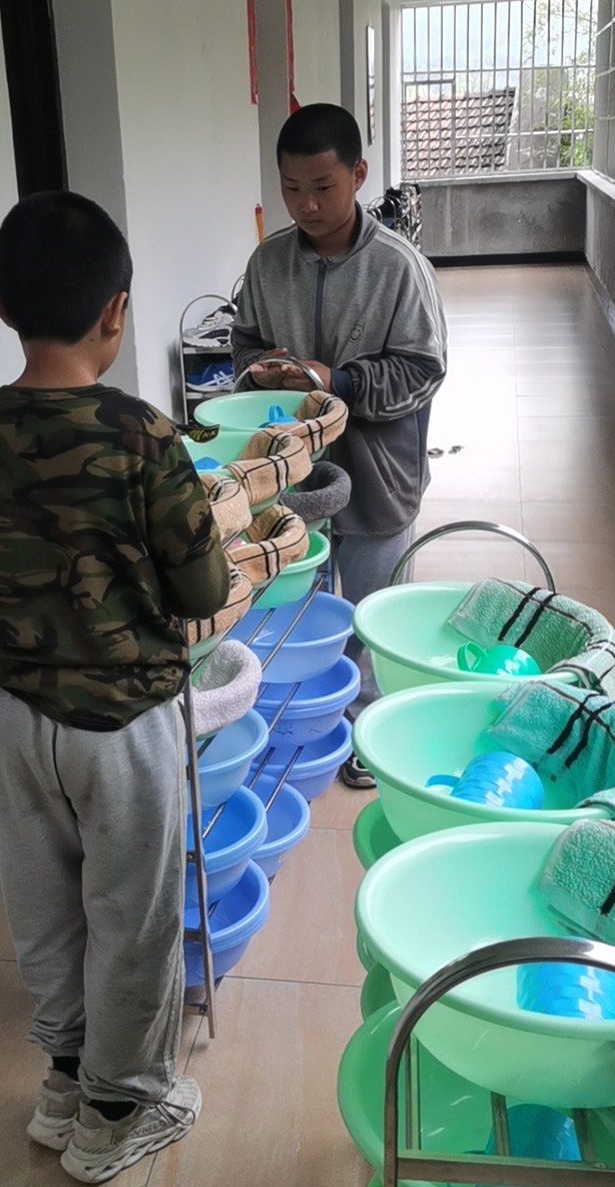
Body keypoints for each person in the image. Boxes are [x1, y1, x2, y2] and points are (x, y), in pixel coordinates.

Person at [0, 192, 230, 1185]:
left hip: (9, 718)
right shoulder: (143, 435)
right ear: (117, 310)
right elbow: (203, 590)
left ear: (2, 307)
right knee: (131, 917)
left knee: (44, 908)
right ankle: (116, 1112)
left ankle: (62, 1083)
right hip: (121, 723)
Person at [232, 103, 447, 787]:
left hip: (378, 473)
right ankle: (309, 720)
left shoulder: (398, 267)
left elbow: (423, 368)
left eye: (323, 187)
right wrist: (261, 370)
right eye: (291, 188)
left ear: (357, 174)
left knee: (374, 612)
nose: (307, 204)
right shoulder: (268, 263)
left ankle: (369, 729)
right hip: (295, 474)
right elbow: (244, 343)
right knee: (299, 601)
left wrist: (339, 382)